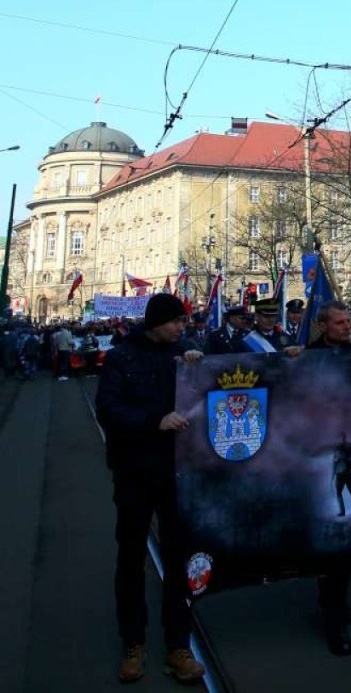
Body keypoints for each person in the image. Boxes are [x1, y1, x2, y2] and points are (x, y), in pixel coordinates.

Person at [95, 292, 206, 684]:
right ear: (157, 322)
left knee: (179, 559)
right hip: (134, 473)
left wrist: (198, 366)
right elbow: (107, 409)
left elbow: (214, 385)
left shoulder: (184, 352)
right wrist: (153, 420)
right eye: (177, 322)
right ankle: (133, 642)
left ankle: (178, 644)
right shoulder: (122, 357)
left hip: (175, 474)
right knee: (131, 558)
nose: (182, 328)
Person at [305, 301, 351, 657]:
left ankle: (338, 603)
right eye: (340, 322)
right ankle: (332, 617)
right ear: (323, 326)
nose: (347, 326)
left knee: (350, 536)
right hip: (321, 454)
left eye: (349, 321)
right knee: (332, 542)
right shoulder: (308, 357)